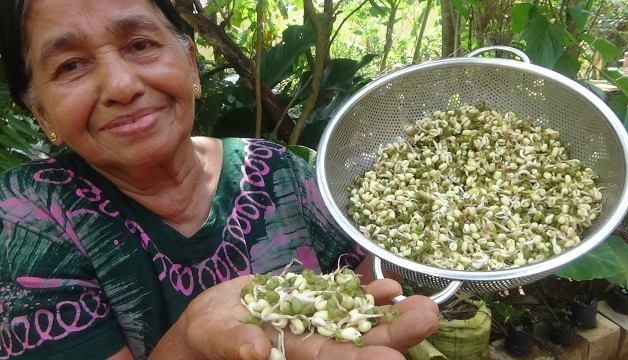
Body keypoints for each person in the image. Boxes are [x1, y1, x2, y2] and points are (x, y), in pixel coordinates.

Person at [0, 0, 440, 359]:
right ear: (41, 113)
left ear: (191, 65)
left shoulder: (273, 169)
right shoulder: (29, 214)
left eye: (139, 44)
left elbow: (367, 285)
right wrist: (190, 341)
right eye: (71, 65)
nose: (120, 84)